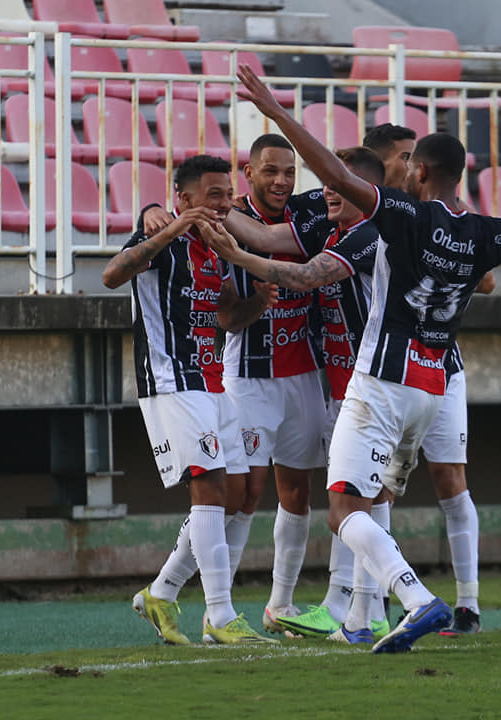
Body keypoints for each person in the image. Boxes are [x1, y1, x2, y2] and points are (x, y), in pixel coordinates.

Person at [234, 63, 501, 653]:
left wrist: (279, 115)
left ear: (418, 172)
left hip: (382, 380)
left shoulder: (403, 214)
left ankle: (416, 600)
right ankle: (363, 619)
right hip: (432, 385)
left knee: (344, 509)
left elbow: (335, 173)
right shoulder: (486, 231)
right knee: (377, 499)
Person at [102, 154, 277, 645]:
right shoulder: (161, 241)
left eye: (228, 194)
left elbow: (224, 316)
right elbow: (112, 276)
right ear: (185, 198)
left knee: (240, 494)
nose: (224, 203)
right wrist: (163, 226)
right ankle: (219, 616)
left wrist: (256, 303)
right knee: (210, 485)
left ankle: (161, 591)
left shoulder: (215, 247)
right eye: (214, 195)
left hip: (211, 381)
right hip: (170, 378)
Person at [365, 122, 487, 636]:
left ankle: (468, 606)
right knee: (374, 488)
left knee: (449, 480)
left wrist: (454, 242)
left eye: (416, 157)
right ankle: (376, 603)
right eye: (403, 156)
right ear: (382, 165)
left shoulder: (438, 215)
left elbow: (488, 279)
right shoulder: (367, 213)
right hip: (383, 369)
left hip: (441, 366)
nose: (412, 165)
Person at [218, 134, 333, 634]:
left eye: (289, 171)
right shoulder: (226, 221)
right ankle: (216, 608)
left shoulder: (309, 216)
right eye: (271, 171)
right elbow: (224, 316)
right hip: (250, 375)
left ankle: (280, 605)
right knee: (245, 492)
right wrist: (257, 305)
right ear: (248, 173)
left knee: (298, 491)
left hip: (304, 374)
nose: (282, 180)